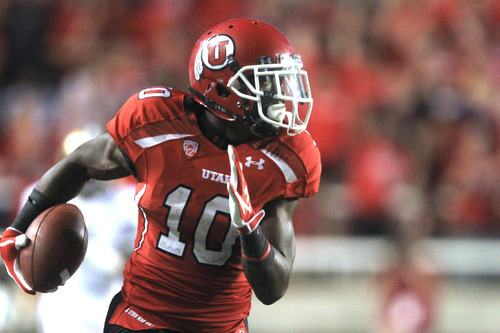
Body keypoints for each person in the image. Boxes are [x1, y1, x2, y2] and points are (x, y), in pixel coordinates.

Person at [0, 18, 321, 333]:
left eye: (282, 81)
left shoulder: (288, 156)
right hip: (144, 316)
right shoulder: (156, 123)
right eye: (265, 83)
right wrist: (17, 228)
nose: (281, 96)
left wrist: (251, 231)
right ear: (223, 88)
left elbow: (273, 290)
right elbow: (80, 163)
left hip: (224, 325)